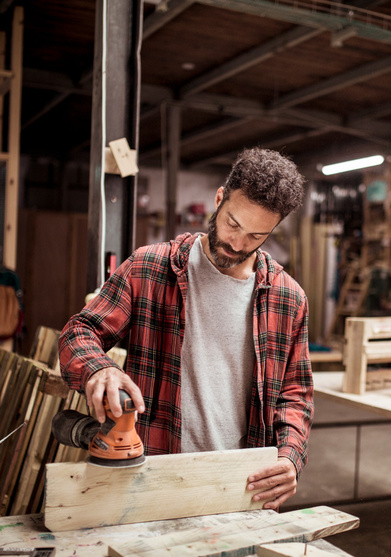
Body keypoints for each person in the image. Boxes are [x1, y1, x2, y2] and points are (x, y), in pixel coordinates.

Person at [59, 147, 313, 510]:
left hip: (240, 486)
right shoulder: (149, 267)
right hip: (149, 477)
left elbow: (295, 394)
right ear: (219, 199)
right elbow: (78, 332)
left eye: (257, 236)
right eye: (233, 224)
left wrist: (290, 457)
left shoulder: (289, 299)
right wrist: (98, 369)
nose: (237, 244)